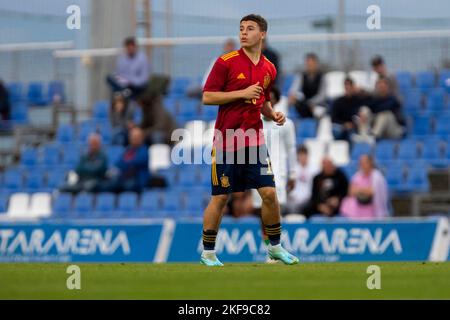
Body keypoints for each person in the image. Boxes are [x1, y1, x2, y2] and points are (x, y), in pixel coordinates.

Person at [201, 14, 299, 266]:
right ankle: (208, 252)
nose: (243, 33)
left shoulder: (269, 68)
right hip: (227, 140)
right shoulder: (226, 62)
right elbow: (208, 97)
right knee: (221, 198)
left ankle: (275, 247)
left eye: (250, 29)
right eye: (241, 29)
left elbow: (262, 101)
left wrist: (272, 113)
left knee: (269, 193)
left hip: (254, 141)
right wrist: (241, 93)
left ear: (262, 34)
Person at [252, 86, 297, 216]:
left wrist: (293, 173)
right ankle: (265, 237)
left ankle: (274, 236)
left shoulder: (287, 124)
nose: (268, 102)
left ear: (276, 101)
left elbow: (291, 149)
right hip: (258, 170)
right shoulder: (253, 123)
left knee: (277, 206)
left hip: (278, 170)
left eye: (271, 99)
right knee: (261, 208)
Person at [340, 154, 389, 219]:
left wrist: (359, 190)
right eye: (360, 163)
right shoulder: (357, 176)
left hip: (373, 208)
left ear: (371, 163)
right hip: (357, 206)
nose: (362, 165)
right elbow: (351, 192)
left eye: (364, 163)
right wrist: (365, 190)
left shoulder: (377, 177)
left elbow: (373, 192)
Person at [103, 127, 149, 193]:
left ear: (141, 138)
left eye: (136, 137)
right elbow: (119, 163)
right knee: (111, 184)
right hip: (124, 178)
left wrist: (125, 163)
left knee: (124, 186)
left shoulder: (144, 150)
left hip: (137, 180)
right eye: (132, 137)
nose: (134, 139)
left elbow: (135, 162)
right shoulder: (128, 149)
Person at [288, 53, 327, 118]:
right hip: (305, 104)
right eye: (308, 64)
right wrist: (292, 95)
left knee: (318, 110)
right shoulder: (301, 76)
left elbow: (322, 96)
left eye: (312, 64)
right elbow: (294, 88)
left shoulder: (322, 77)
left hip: (318, 104)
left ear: (316, 64)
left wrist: (311, 103)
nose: (310, 66)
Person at [331, 77, 367, 142]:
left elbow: (359, 115)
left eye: (350, 85)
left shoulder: (359, 101)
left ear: (353, 87)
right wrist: (344, 124)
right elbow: (333, 118)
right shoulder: (338, 101)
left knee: (352, 134)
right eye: (346, 85)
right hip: (341, 127)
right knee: (336, 130)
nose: (348, 88)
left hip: (354, 127)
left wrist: (352, 124)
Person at [287, 145, 320, 214]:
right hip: (294, 199)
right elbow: (290, 186)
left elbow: (317, 187)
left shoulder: (315, 169)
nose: (302, 157)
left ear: (307, 155)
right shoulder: (294, 169)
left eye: (304, 155)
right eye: (300, 155)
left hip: (309, 199)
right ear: (297, 156)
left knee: (304, 208)